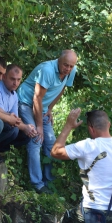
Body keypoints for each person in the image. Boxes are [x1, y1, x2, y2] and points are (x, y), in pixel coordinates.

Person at [51, 108, 112, 223]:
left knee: (67, 220)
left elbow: (55, 151)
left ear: (90, 127)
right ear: (109, 125)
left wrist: (68, 126)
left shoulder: (87, 146)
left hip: (92, 211)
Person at [17, 49, 77, 194]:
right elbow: (36, 98)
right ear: (58, 60)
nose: (68, 69)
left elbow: (62, 89)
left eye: (71, 66)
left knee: (52, 145)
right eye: (65, 65)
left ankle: (49, 182)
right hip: (25, 103)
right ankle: (37, 184)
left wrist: (50, 108)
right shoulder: (47, 70)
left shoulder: (71, 71)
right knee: (36, 138)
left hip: (42, 107)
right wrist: (39, 126)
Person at [0, 64, 37, 164]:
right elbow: (4, 117)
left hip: (3, 124)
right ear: (4, 77)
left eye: (18, 80)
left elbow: (15, 117)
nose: (15, 83)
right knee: (11, 128)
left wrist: (26, 127)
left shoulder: (14, 94)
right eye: (12, 79)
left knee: (25, 136)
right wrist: (24, 127)